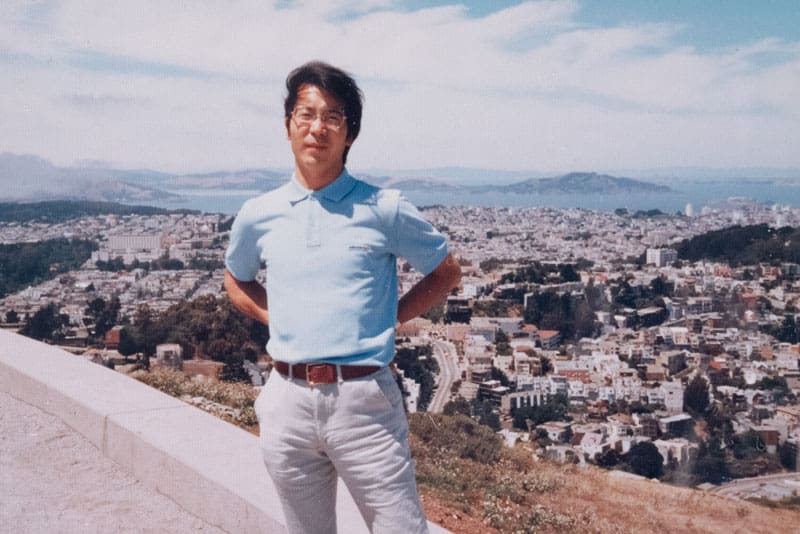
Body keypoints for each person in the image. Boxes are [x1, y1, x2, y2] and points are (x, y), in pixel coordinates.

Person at [224, 61, 461, 534]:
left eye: (332, 117)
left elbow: (446, 273)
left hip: (364, 401)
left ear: (349, 133)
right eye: (306, 114)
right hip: (286, 399)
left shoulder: (384, 208)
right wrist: (276, 316)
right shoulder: (258, 214)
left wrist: (388, 318)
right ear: (288, 126)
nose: (317, 128)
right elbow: (236, 279)